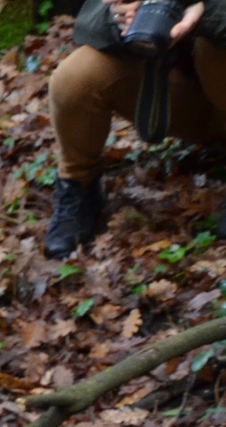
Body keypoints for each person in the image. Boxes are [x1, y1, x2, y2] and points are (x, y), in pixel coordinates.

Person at [46, 0, 226, 257]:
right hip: (188, 98)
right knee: (75, 77)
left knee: (212, 47)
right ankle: (79, 186)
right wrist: (125, 16)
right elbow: (87, 25)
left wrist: (204, 10)